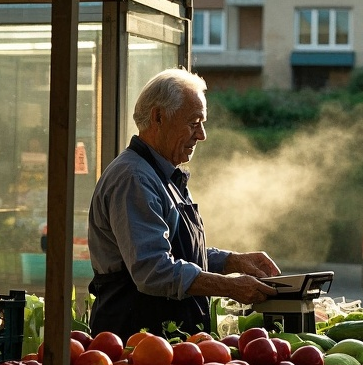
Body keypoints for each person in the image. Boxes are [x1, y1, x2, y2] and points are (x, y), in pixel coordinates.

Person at [87, 68, 280, 340]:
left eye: (202, 124)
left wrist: (232, 261)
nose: (201, 135)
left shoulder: (162, 174)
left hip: (168, 341)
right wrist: (229, 287)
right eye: (194, 123)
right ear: (158, 117)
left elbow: (180, 254)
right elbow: (154, 270)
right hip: (136, 343)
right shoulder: (134, 179)